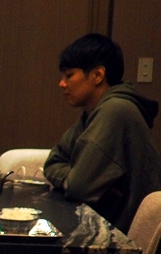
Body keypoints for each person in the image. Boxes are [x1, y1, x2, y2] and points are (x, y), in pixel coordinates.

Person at [44, 34, 161, 233]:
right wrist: (72, 175)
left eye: (69, 75)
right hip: (106, 229)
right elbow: (54, 161)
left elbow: (78, 187)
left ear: (98, 75)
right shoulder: (94, 111)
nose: (62, 84)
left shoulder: (115, 110)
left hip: (122, 240)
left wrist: (72, 177)